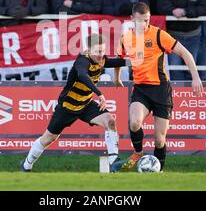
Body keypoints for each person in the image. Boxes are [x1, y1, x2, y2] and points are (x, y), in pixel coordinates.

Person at [115, 2, 203, 171]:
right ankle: (138, 152)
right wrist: (117, 78)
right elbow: (119, 59)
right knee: (134, 123)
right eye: (140, 20)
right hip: (141, 89)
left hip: (161, 90)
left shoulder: (158, 35)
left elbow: (185, 53)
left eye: (147, 20)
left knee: (159, 140)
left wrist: (196, 77)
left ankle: (158, 170)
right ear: (132, 19)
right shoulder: (126, 38)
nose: (144, 24)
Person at [21, 33, 127, 173]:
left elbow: (119, 62)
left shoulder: (101, 60)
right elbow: (83, 75)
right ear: (88, 50)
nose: (101, 55)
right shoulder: (82, 61)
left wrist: (138, 61)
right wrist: (99, 93)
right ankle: (27, 165)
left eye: (103, 50)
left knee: (110, 120)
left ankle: (114, 162)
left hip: (86, 104)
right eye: (98, 51)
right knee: (48, 139)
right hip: (68, 107)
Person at [157, 0, 206, 80]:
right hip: (173, 35)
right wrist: (172, 11)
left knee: (191, 67)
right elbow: (161, 5)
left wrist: (185, 11)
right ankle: (176, 96)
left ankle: (188, 96)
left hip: (194, 35)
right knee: (174, 68)